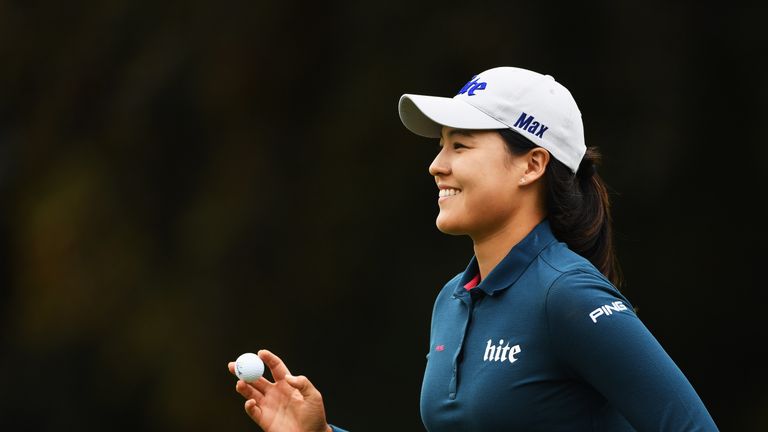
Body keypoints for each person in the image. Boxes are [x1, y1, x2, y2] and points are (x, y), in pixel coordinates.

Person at [228, 66, 719, 431]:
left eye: (460, 146)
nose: (437, 165)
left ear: (531, 165)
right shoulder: (453, 299)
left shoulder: (568, 295)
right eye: (440, 145)